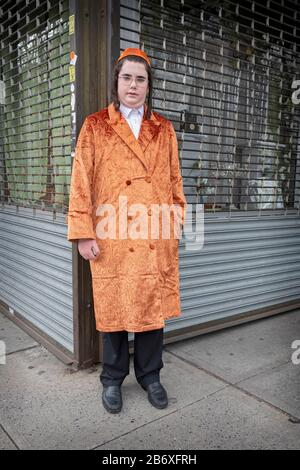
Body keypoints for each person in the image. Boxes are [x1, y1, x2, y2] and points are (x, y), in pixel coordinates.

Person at [67, 48, 187, 414]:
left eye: (140, 78)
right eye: (127, 78)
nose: (133, 85)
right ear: (116, 83)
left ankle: (151, 376)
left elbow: (175, 180)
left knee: (152, 312)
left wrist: (175, 223)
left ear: (149, 86)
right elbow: (81, 181)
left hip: (153, 236)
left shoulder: (163, 129)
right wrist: (84, 233)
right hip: (112, 235)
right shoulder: (96, 125)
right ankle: (112, 379)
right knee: (115, 310)